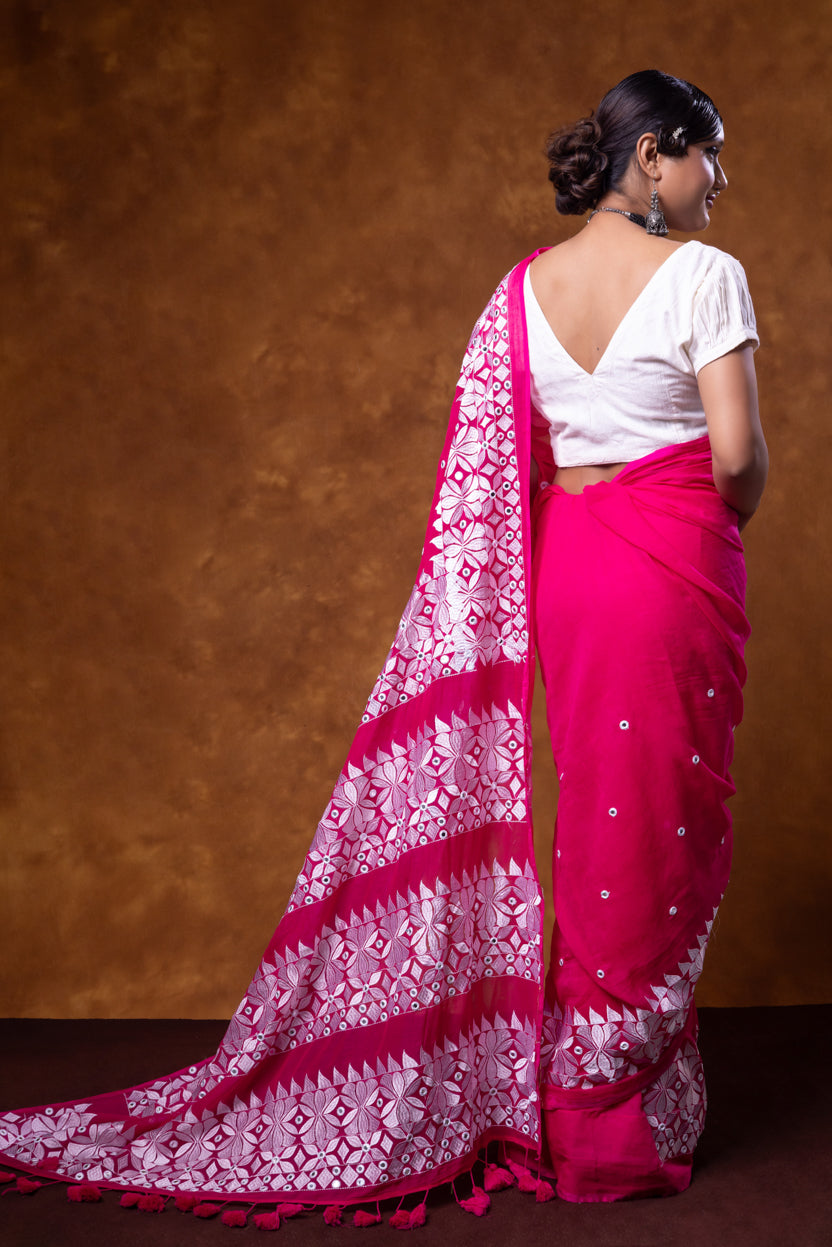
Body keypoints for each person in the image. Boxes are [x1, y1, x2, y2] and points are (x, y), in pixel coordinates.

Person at [0, 70, 765, 1218]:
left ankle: (576, 1100)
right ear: (652, 155)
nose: (720, 179)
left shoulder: (518, 293)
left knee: (602, 794)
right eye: (709, 154)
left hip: (569, 572)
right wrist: (705, 523)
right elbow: (739, 456)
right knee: (661, 806)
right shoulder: (707, 275)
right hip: (668, 563)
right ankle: (614, 1115)